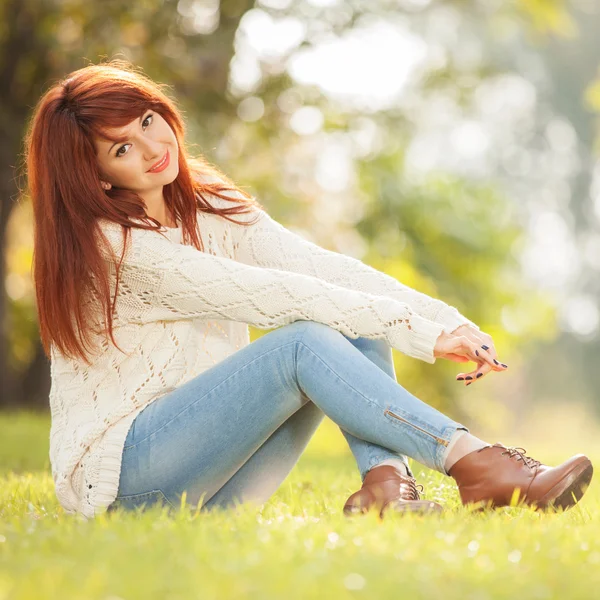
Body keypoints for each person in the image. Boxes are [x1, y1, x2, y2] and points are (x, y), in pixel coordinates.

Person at [24, 60, 593, 521]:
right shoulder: (115, 248)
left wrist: (446, 321)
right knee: (303, 338)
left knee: (347, 314)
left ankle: (387, 486)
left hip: (215, 486)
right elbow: (273, 295)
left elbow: (321, 272)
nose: (151, 147)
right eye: (120, 148)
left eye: (147, 120)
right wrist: (421, 335)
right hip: (124, 489)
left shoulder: (207, 206)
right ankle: (476, 462)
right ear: (95, 174)